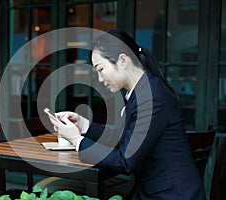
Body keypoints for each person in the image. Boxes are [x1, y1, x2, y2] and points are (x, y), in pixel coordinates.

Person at [48, 29, 206, 199]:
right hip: (156, 190)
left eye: (101, 69)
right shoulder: (143, 90)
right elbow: (121, 139)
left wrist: (76, 140)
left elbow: (124, 161)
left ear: (122, 60)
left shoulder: (151, 98)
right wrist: (83, 125)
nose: (100, 79)